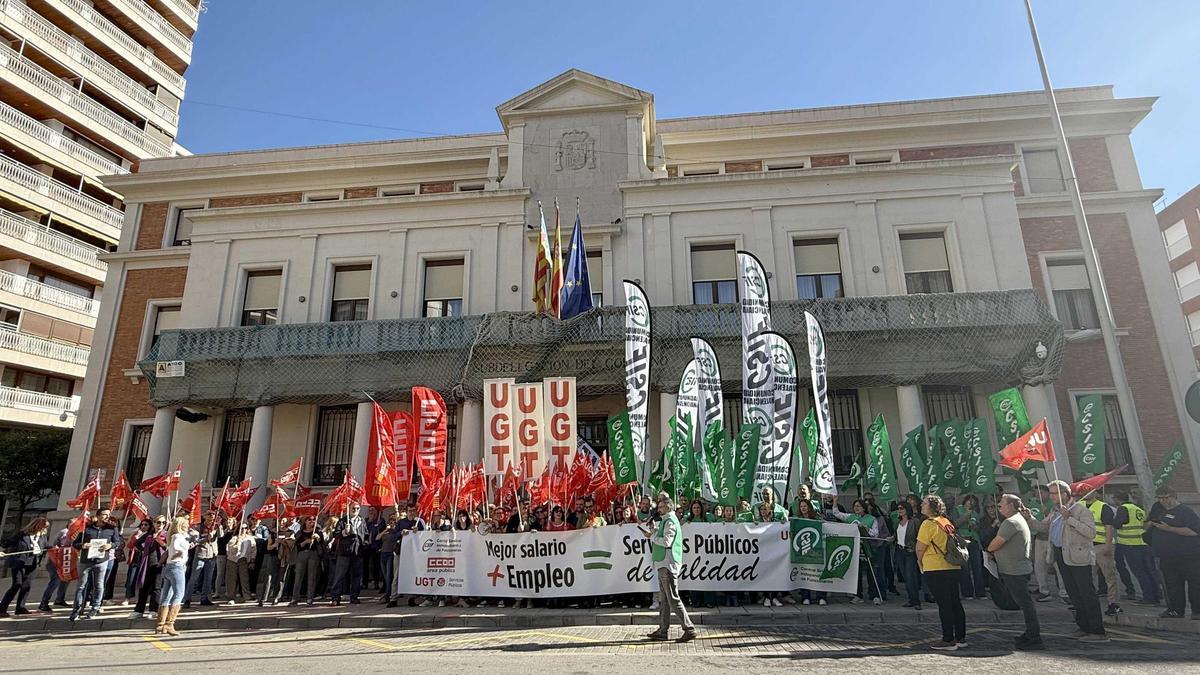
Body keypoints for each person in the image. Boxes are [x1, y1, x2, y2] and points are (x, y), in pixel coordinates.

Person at [1032, 480, 1107, 642]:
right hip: (1061, 554)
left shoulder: (1080, 510)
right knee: (1073, 593)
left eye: (1053, 493)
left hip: (1078, 555)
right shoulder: (1055, 511)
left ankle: (1097, 630)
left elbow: (1090, 532)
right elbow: (1044, 528)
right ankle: (1083, 626)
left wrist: (1070, 519)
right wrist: (1029, 519)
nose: (1050, 496)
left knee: (1086, 593)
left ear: (1064, 494)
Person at [991, 494, 1042, 650]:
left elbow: (996, 543)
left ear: (1011, 505)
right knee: (1024, 602)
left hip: (1015, 570)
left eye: (1001, 505)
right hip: (1016, 568)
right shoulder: (1018, 519)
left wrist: (989, 549)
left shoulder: (1011, 522)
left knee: (1025, 603)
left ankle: (1034, 636)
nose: (999, 507)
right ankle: (1030, 633)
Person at [916, 495, 965, 651]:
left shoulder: (928, 524)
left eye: (924, 503)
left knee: (944, 604)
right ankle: (960, 637)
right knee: (955, 602)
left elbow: (920, 547)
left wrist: (920, 561)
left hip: (936, 567)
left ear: (931, 507)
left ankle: (948, 639)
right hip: (952, 565)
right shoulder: (945, 521)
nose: (921, 505)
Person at [645, 492, 695, 642]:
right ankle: (663, 629)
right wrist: (653, 530)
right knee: (665, 599)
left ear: (668, 507)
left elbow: (666, 542)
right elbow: (664, 537)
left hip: (667, 563)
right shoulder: (667, 520)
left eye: (661, 506)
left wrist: (652, 536)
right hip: (664, 563)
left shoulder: (670, 521)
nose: (658, 509)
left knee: (672, 598)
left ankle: (689, 628)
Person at [1146, 485, 1200, 619]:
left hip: (1188, 555)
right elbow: (1146, 524)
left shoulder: (1185, 511)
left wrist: (1168, 528)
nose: (1164, 501)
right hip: (1167, 556)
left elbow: (1194, 531)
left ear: (1174, 496)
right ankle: (1175, 610)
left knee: (1195, 584)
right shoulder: (1158, 510)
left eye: (1166, 498)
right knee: (1173, 585)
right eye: (1160, 498)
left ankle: (1197, 611)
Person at [70, 507, 120, 621]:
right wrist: (83, 545)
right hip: (86, 561)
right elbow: (75, 543)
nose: (107, 517)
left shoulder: (112, 529)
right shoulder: (86, 528)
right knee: (81, 586)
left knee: (99, 585)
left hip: (101, 561)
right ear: (97, 516)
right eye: (104, 514)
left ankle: (95, 607)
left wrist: (110, 546)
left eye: (108, 514)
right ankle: (76, 609)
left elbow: (117, 542)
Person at [830, 499, 883, 605]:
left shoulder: (872, 519)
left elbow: (876, 534)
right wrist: (835, 501)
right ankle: (858, 595)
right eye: (855, 506)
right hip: (855, 549)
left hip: (868, 549)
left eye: (858, 506)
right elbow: (836, 513)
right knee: (856, 573)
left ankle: (875, 595)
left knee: (871, 573)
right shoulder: (850, 517)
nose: (856, 508)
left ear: (863, 508)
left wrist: (867, 530)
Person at [1109, 490, 1158, 606]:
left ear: (1118, 499)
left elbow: (1117, 524)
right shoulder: (1138, 508)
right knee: (1148, 571)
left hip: (1130, 544)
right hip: (1143, 543)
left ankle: (1148, 597)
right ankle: (1155, 595)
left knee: (1139, 572)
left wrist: (1112, 520)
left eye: (1114, 499)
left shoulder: (1123, 508)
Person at [1083, 489, 1122, 616]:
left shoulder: (1103, 507)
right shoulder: (1079, 505)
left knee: (1109, 575)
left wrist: (1108, 545)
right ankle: (1088, 603)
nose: (1085, 494)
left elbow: (1109, 527)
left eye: (1088, 491)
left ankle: (1113, 603)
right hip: (1086, 546)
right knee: (1087, 577)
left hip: (1101, 545)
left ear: (1095, 493)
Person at [0, 517, 48, 617]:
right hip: (19, 562)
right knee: (16, 584)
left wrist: (54, 548)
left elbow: (45, 546)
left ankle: (20, 607)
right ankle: (2, 608)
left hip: (33, 563)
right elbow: (7, 543)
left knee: (26, 586)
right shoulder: (22, 535)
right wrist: (2, 551)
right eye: (43, 528)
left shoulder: (42, 537)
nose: (44, 530)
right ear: (37, 526)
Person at [157, 515, 191, 637]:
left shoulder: (173, 537)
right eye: (186, 524)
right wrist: (181, 555)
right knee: (179, 595)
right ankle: (169, 623)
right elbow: (177, 550)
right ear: (180, 525)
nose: (188, 526)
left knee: (166, 595)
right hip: (177, 567)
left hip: (169, 567)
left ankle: (160, 623)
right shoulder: (177, 537)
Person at [130, 516, 167, 620]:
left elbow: (167, 547)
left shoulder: (166, 534)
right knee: (144, 587)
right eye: (158, 522)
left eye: (163, 523)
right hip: (147, 563)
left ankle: (153, 610)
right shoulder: (148, 534)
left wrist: (159, 540)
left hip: (159, 563)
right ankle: (139, 610)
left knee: (156, 587)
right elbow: (136, 543)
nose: (160, 525)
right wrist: (143, 550)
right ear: (154, 523)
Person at [330, 507, 367, 606]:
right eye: (353, 508)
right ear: (349, 509)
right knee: (339, 575)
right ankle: (335, 597)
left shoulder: (362, 521)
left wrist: (365, 542)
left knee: (356, 576)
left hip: (358, 552)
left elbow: (365, 533)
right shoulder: (343, 520)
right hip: (344, 552)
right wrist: (344, 532)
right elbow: (336, 534)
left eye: (358, 508)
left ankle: (354, 596)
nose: (355, 510)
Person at [953, 494, 987, 600]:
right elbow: (954, 524)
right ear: (965, 501)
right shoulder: (957, 510)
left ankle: (980, 592)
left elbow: (979, 528)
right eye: (969, 500)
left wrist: (974, 526)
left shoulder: (975, 513)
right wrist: (964, 518)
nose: (970, 503)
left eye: (973, 501)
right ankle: (967, 592)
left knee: (977, 568)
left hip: (974, 541)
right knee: (965, 568)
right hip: (962, 541)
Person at [183, 512, 219, 608]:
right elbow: (195, 542)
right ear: (204, 516)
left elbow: (221, 536)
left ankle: (205, 598)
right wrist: (206, 538)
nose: (211, 516)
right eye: (209, 514)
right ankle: (187, 598)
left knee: (208, 578)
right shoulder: (198, 527)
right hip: (200, 554)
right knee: (194, 577)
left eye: (213, 514)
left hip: (212, 554)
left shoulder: (216, 526)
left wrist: (221, 527)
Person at [893, 502, 922, 610]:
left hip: (911, 551)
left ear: (907, 509)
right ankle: (911, 599)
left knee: (911, 576)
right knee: (905, 576)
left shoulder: (914, 521)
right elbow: (896, 536)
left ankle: (916, 601)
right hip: (900, 551)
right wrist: (891, 539)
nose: (899, 510)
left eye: (901, 508)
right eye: (898, 509)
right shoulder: (898, 522)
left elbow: (919, 536)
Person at [37, 526, 73, 612]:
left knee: (66, 580)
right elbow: (64, 544)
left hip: (66, 561)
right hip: (56, 561)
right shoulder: (65, 532)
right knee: (55, 581)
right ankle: (44, 603)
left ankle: (60, 599)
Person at [289, 516, 323, 606]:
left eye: (313, 520)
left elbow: (322, 543)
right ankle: (295, 598)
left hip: (313, 554)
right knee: (298, 576)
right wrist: (306, 542)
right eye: (309, 520)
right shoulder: (300, 533)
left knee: (311, 577)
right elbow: (297, 546)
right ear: (305, 522)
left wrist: (318, 538)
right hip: (302, 554)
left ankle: (309, 598)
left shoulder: (317, 531)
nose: (311, 521)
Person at [224, 522, 255, 605]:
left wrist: (252, 561)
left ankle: (247, 596)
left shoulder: (250, 538)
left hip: (243, 560)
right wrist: (236, 544)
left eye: (245, 528)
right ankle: (231, 597)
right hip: (232, 560)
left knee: (244, 578)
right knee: (231, 579)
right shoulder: (234, 538)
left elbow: (253, 550)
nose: (243, 530)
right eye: (242, 528)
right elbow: (229, 549)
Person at [255, 521, 282, 607]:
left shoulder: (290, 532)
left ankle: (276, 597)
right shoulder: (273, 533)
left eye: (284, 521)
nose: (282, 523)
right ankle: (263, 598)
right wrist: (275, 544)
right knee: (269, 577)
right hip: (273, 556)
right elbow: (268, 547)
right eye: (281, 521)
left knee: (280, 578)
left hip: (283, 557)